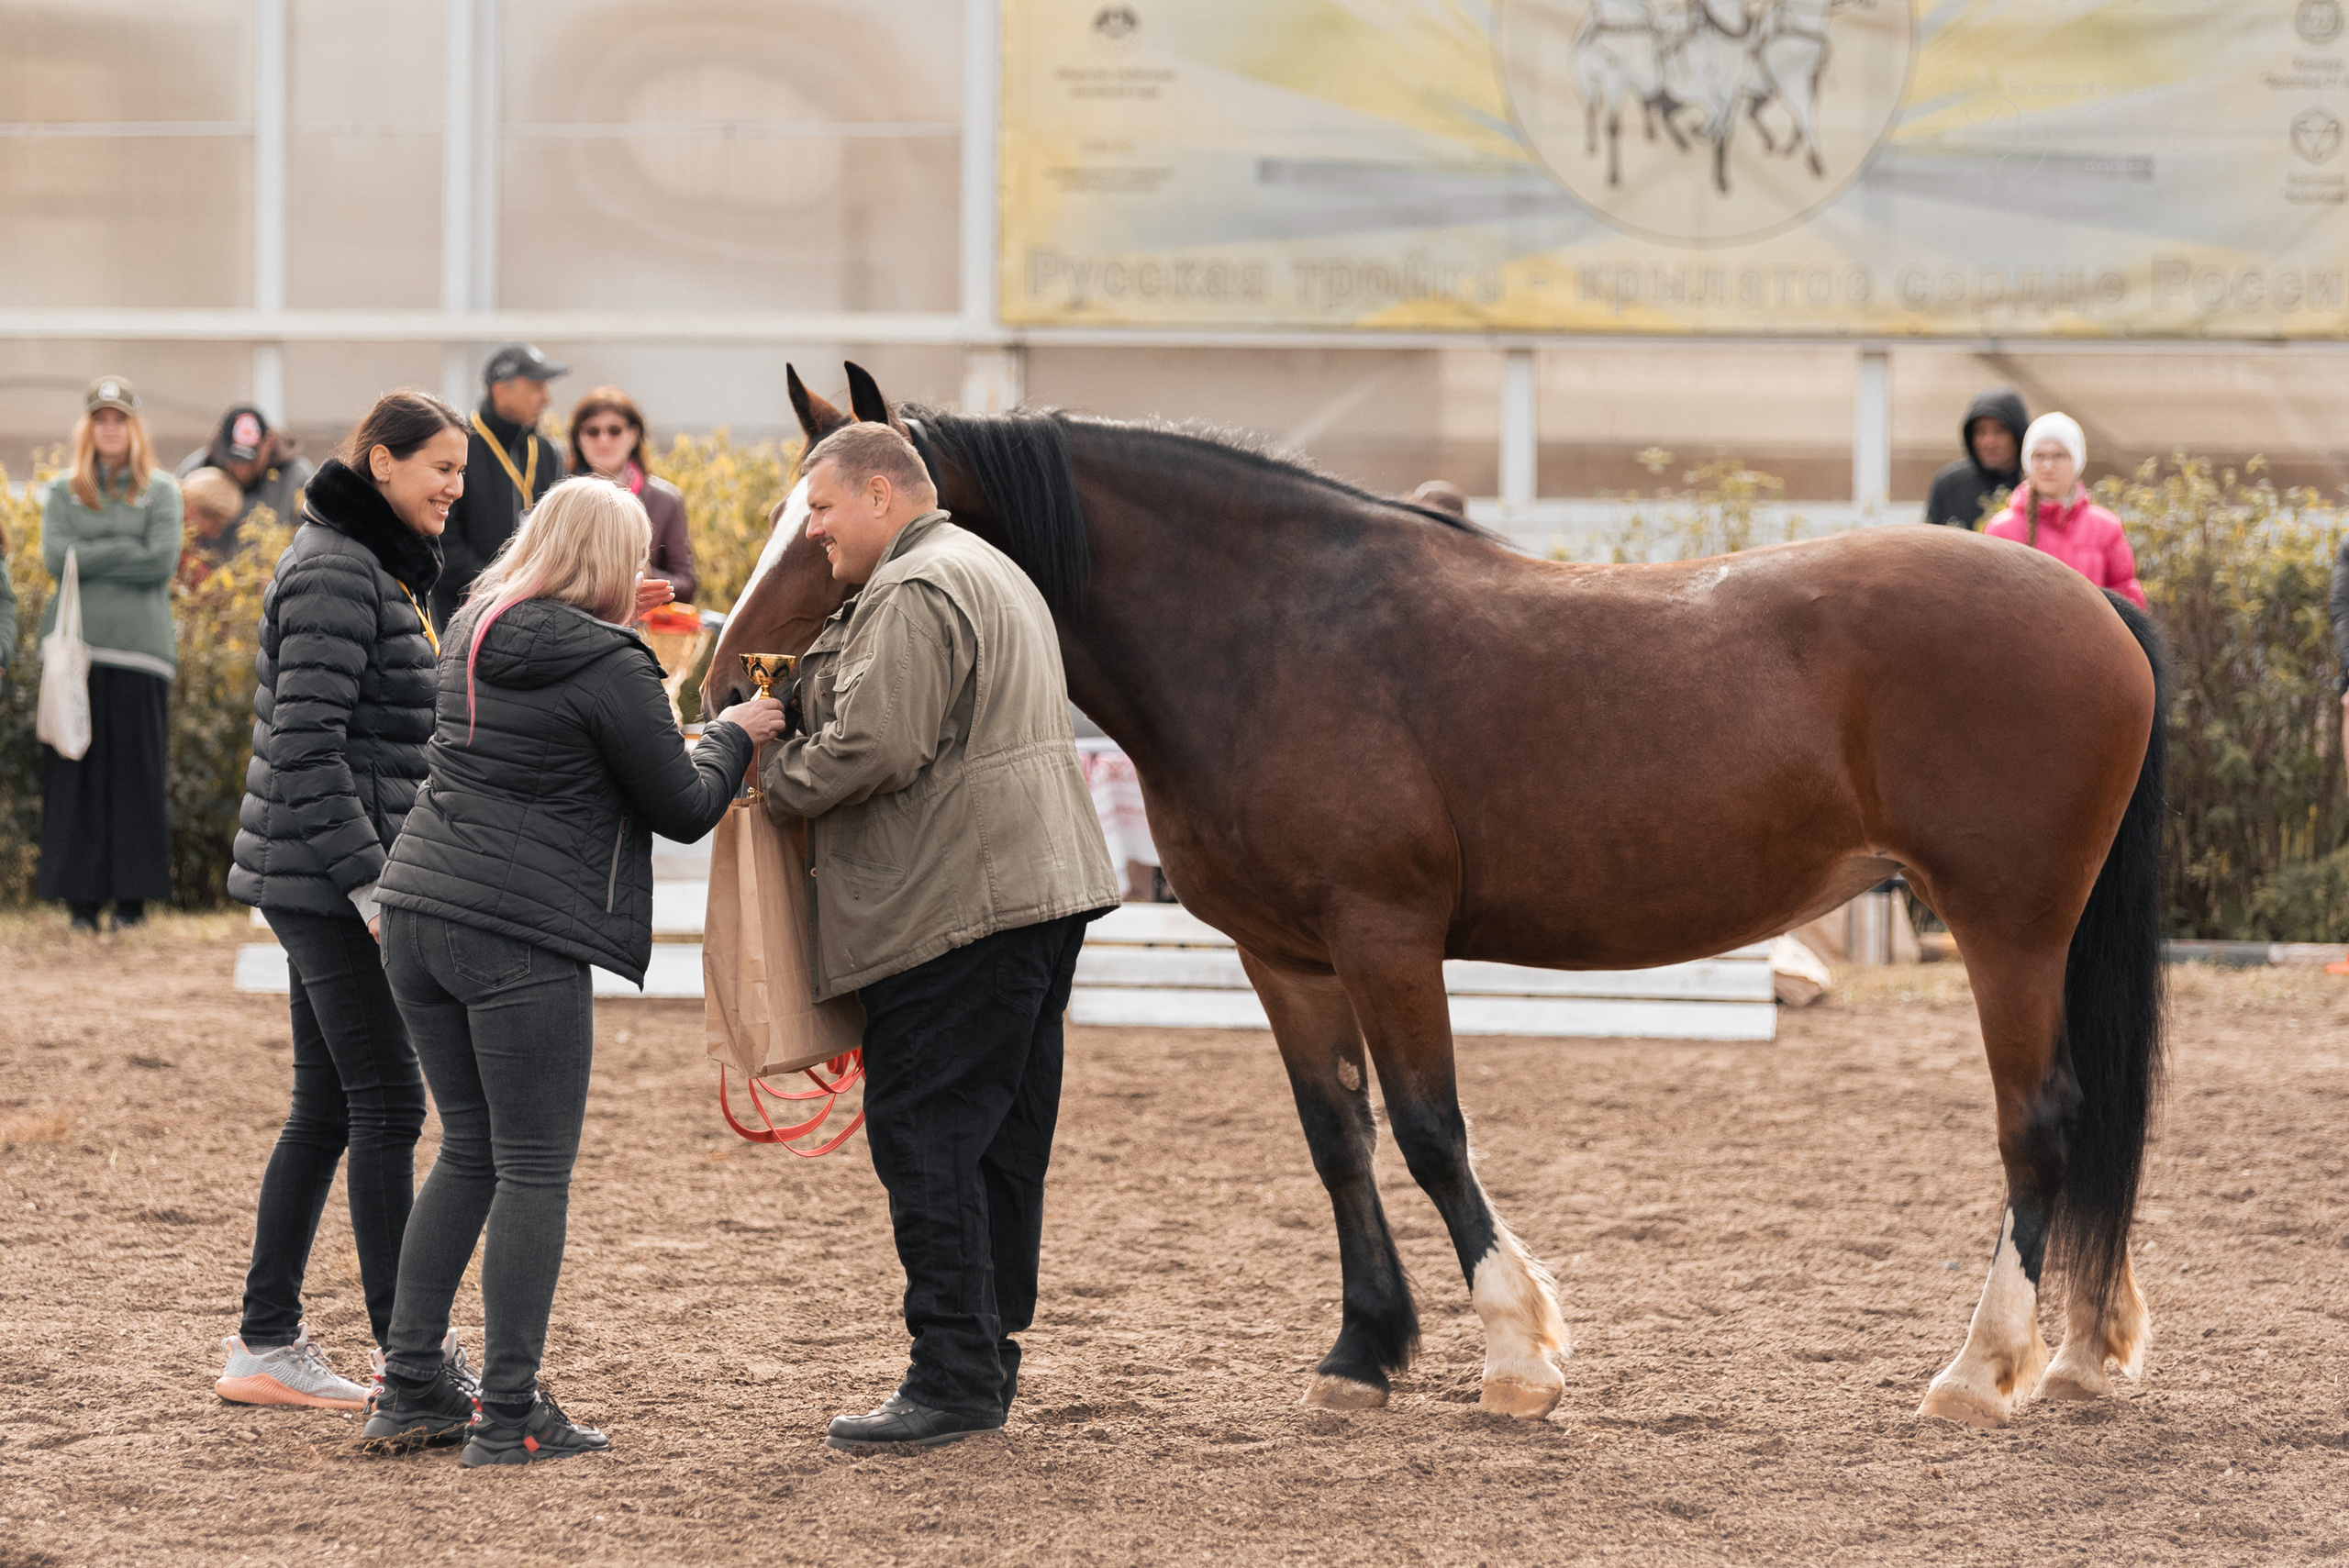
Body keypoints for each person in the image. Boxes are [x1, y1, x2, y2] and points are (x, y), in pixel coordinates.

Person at [361, 476, 785, 1466]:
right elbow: (682, 804)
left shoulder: (472, 624)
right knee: (533, 1168)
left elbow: (560, 729)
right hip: (517, 931)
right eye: (631, 556)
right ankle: (507, 1413)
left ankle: (410, 1377)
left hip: (417, 904)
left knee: (468, 1149)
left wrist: (613, 627)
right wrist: (737, 732)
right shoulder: (615, 659)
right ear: (612, 561)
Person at [759, 422, 1118, 1453]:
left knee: (927, 1132)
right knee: (1000, 1137)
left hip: (954, 898)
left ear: (882, 493)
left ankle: (952, 1371)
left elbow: (877, 744)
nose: (812, 528)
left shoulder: (915, 589)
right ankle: (985, 1355)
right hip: (1035, 889)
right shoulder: (990, 568)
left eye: (821, 507)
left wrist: (768, 779)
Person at [215, 391, 471, 1411]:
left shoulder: (369, 563)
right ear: (378, 463)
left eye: (459, 469)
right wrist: (372, 886)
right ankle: (412, 1355)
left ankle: (265, 1341)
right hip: (330, 877)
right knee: (389, 1103)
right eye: (438, 468)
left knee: (327, 1105)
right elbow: (307, 750)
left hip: (321, 868)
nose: (455, 486)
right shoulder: (333, 569)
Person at [37, 376, 181, 933]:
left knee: (136, 777)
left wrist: (91, 551)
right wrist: (128, 546)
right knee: (75, 773)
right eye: (101, 419)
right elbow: (55, 558)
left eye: (119, 419)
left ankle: (131, 904)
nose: (110, 428)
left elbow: (160, 562)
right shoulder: (61, 491)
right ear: (89, 427)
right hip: (77, 655)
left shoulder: (163, 490)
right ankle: (80, 904)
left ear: (133, 427)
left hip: (143, 654)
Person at [430, 341, 568, 628]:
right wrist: (501, 589)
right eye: (535, 387)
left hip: (537, 620)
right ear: (501, 390)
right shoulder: (459, 445)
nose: (546, 398)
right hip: (466, 623)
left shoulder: (547, 453)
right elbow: (443, 541)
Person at [1985, 412, 2145, 608]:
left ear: (2077, 461)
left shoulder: (2106, 527)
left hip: (2092, 637)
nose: (2048, 465)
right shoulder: (2001, 530)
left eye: (2059, 456)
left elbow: (2127, 596)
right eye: (2039, 456)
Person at [568, 385, 696, 604]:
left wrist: (646, 574)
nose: (604, 440)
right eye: (593, 431)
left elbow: (687, 586)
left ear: (634, 435)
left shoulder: (666, 501)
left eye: (615, 430)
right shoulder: (561, 499)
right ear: (579, 438)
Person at [175, 404, 314, 549]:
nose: (242, 468)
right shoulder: (195, 471)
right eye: (234, 459)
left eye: (250, 460)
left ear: (269, 442)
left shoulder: (298, 478)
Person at [1923, 388, 2028, 530]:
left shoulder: (2033, 484)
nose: (1989, 441)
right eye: (1981, 432)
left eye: (2000, 431)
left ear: (2018, 434)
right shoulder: (1950, 484)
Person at [178, 467, 242, 584]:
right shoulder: (172, 538)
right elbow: (198, 578)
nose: (216, 535)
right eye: (216, 526)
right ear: (195, 511)